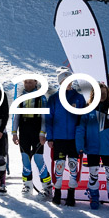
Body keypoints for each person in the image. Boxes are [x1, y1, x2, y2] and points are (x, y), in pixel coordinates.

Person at [76, 82, 109, 211]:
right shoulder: (87, 109)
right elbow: (80, 129)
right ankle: (94, 197)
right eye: (99, 92)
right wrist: (79, 145)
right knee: (93, 174)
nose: (102, 95)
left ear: (107, 94)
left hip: (108, 149)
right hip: (92, 148)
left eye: (104, 93)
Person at [45, 67, 86, 206]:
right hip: (59, 139)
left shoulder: (79, 98)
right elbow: (48, 119)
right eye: (65, 80)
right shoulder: (53, 99)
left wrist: (82, 137)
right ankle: (57, 194)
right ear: (60, 82)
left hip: (74, 139)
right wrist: (50, 137)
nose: (68, 83)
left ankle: (71, 195)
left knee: (74, 166)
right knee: (59, 166)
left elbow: (83, 119)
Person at [12, 79, 53, 197]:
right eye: (26, 82)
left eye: (30, 82)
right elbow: (16, 117)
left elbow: (45, 118)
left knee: (39, 159)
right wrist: (14, 133)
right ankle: (27, 185)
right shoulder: (20, 98)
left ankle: (47, 187)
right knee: (25, 159)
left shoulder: (42, 98)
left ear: (36, 83)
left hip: (37, 132)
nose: (28, 85)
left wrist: (42, 134)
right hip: (24, 131)